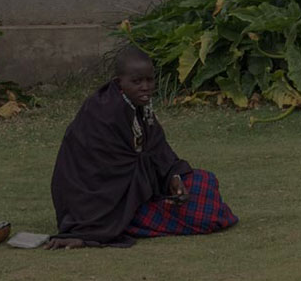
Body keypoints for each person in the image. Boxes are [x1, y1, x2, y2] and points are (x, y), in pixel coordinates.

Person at [47, 47, 237, 249]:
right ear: (119, 82)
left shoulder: (139, 105)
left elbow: (155, 149)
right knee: (206, 215)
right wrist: (151, 178)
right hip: (104, 204)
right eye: (137, 82)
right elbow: (107, 173)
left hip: (138, 189)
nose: (145, 87)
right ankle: (115, 227)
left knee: (204, 181)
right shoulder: (103, 112)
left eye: (149, 80)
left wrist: (173, 177)